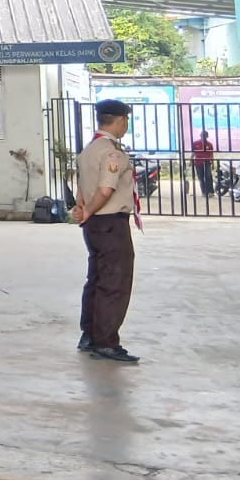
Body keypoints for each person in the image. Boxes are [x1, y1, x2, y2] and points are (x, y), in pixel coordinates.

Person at [72, 100, 141, 364]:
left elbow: (81, 187)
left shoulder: (88, 150)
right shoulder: (112, 153)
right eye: (126, 121)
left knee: (97, 278)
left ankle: (89, 334)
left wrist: (82, 209)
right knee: (115, 282)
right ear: (121, 120)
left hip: (94, 227)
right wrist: (89, 210)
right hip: (111, 223)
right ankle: (106, 342)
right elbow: (105, 189)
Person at [192, 130, 215, 197]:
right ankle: (204, 192)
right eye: (203, 136)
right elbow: (193, 153)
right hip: (198, 162)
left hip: (207, 162)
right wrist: (191, 161)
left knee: (208, 177)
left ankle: (210, 192)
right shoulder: (195, 143)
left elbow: (211, 154)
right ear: (200, 136)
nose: (204, 137)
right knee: (201, 177)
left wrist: (213, 163)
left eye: (205, 136)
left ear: (207, 136)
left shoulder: (209, 144)